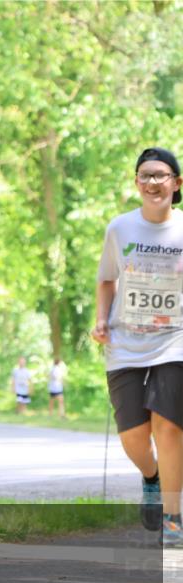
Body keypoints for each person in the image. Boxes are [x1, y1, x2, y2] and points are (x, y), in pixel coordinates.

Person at [91, 147, 183, 545]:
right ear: (136, 183)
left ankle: (174, 518)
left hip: (175, 340)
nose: (152, 182)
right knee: (134, 436)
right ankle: (151, 476)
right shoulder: (120, 229)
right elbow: (107, 280)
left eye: (160, 175)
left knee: (168, 426)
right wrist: (100, 318)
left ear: (176, 183)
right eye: (145, 175)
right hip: (126, 342)